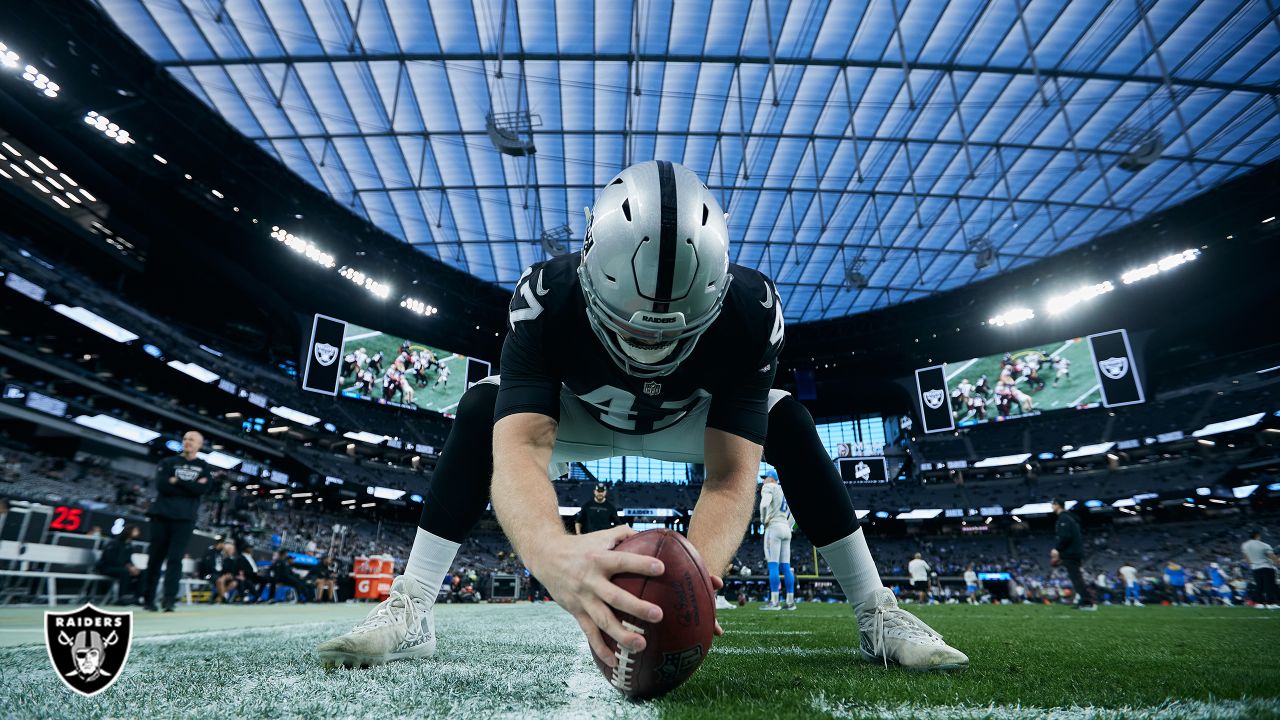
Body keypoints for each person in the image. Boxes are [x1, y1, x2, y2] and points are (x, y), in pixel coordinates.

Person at [315, 160, 967, 672]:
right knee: (483, 405)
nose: (651, 351)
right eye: (634, 332)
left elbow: (730, 475)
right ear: (592, 270)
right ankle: (414, 608)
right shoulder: (546, 298)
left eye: (670, 338)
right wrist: (551, 555)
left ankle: (877, 613)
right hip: (584, 421)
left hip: (692, 425)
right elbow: (523, 447)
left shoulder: (751, 311)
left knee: (789, 421)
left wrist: (697, 582)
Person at [143, 430, 213, 612]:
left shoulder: (203, 466)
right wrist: (189, 485)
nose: (187, 442)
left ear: (199, 445)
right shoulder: (168, 462)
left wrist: (177, 481)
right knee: (155, 558)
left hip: (185, 519)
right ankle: (148, 599)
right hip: (161, 515)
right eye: (185, 439)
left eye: (192, 440)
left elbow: (202, 490)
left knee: (175, 559)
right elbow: (162, 485)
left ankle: (169, 600)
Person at [758, 469, 795, 610]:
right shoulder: (784, 491)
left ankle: (774, 602)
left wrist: (763, 520)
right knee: (786, 566)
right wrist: (788, 525)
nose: (763, 480)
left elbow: (764, 505)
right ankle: (790, 602)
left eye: (765, 477)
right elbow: (794, 513)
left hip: (774, 527)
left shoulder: (769, 487)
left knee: (773, 565)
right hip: (785, 528)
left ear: (771, 478)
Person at [1049, 498, 1095, 611]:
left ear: (1057, 505)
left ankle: (1087, 602)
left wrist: (1057, 549)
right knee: (1076, 577)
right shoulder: (1069, 517)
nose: (1051, 506)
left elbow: (1065, 537)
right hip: (1074, 552)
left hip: (1071, 553)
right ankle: (1084, 600)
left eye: (1053, 504)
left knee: (1076, 578)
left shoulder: (1064, 518)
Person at [95, 524, 142, 604]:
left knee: (142, 573)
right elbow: (110, 559)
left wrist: (134, 567)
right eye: (135, 531)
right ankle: (121, 598)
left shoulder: (129, 544)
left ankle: (137, 597)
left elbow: (128, 560)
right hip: (107, 567)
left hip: (121, 568)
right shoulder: (114, 542)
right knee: (125, 572)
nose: (138, 533)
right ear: (129, 531)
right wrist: (128, 567)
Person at [1242, 530, 1279, 608]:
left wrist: (1252, 564)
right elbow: (1272, 557)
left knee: (1259, 586)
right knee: (1270, 586)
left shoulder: (1244, 545)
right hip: (1267, 567)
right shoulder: (1264, 545)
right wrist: (1277, 562)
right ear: (1257, 535)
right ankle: (1271, 603)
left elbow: (1246, 558)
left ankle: (1259, 603)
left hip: (1255, 568)